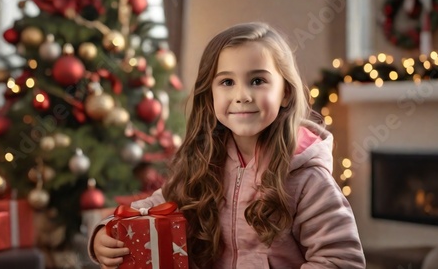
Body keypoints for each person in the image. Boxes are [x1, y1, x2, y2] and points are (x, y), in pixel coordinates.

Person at [89, 22, 366, 269]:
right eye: (227, 82)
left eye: (257, 81)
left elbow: (340, 260)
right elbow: (152, 207)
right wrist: (106, 232)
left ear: (285, 93)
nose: (242, 95)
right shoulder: (201, 163)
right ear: (210, 96)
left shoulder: (308, 179)